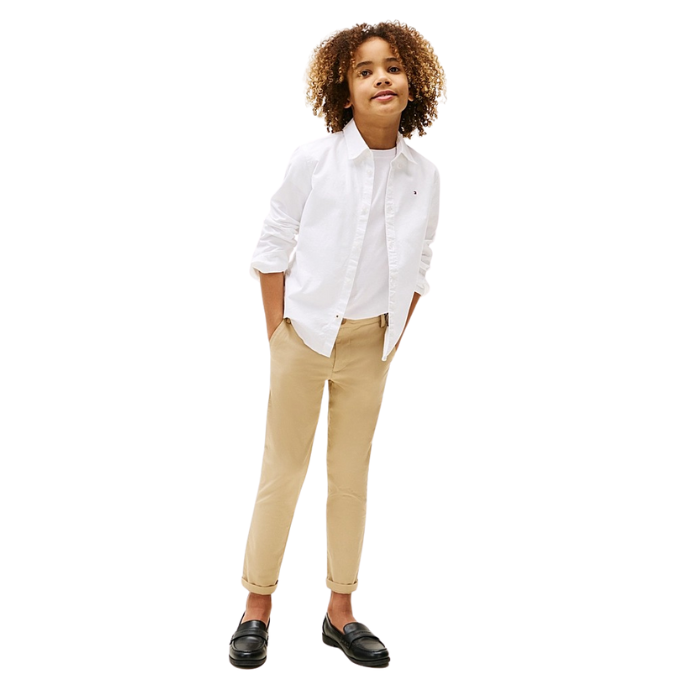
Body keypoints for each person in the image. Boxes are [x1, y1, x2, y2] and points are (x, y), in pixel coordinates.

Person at [229, 21, 445, 669]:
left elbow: (419, 263)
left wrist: (391, 337)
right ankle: (257, 606)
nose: (382, 78)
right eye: (364, 70)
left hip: (370, 345)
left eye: (393, 67)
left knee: (351, 476)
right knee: (283, 470)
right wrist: (279, 333)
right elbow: (274, 242)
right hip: (302, 336)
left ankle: (340, 610)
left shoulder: (424, 175)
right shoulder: (314, 160)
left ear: (413, 83)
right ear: (344, 91)